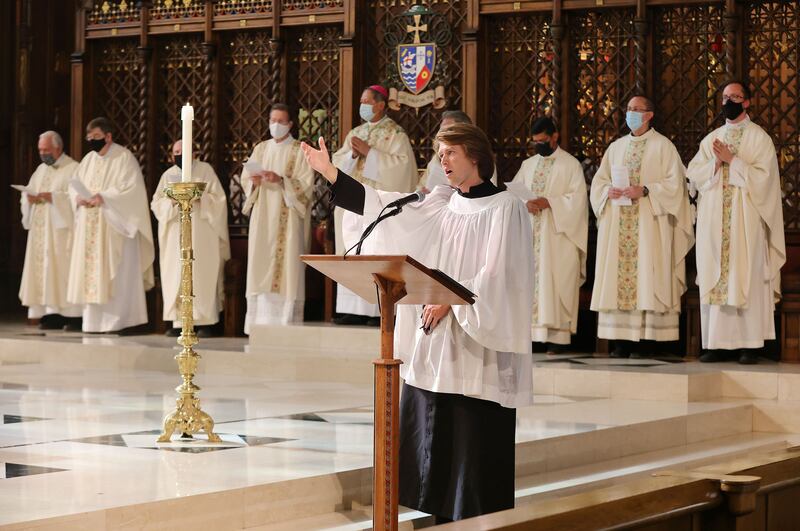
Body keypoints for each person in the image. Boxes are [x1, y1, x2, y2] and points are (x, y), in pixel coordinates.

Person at [301, 123, 534, 522]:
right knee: (434, 425)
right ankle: (437, 511)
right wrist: (331, 174)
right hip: (437, 336)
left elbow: (500, 273)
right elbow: (386, 209)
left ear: (474, 155)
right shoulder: (442, 204)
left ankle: (474, 517)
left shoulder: (505, 207)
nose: (441, 161)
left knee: (470, 433)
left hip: (475, 340)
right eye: (439, 153)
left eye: (450, 153)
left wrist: (451, 299)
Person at [687, 80, 785, 364]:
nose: (729, 101)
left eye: (736, 96)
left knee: (747, 273)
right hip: (714, 221)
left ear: (747, 102)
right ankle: (716, 345)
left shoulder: (759, 138)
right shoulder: (712, 139)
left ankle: (749, 345)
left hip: (746, 222)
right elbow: (694, 175)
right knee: (715, 273)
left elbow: (766, 181)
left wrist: (734, 160)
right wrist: (716, 164)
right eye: (725, 97)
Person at [590, 97, 694, 358]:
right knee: (619, 279)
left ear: (649, 115)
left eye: (636, 111)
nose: (631, 114)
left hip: (650, 227)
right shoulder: (616, 148)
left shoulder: (663, 147)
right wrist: (607, 192)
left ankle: (648, 341)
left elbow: (676, 186)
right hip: (619, 223)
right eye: (628, 110)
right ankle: (622, 341)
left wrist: (646, 189)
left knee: (649, 276)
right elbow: (598, 183)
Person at [330, 85, 418, 325]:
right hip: (352, 204)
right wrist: (352, 156)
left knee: (375, 249)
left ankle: (377, 309)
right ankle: (352, 309)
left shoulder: (396, 134)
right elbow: (336, 164)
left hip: (376, 205)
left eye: (367, 101)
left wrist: (371, 153)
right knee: (353, 248)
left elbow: (404, 170)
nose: (363, 106)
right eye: (361, 101)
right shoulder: (355, 132)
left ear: (380, 104)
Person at [66, 117, 154, 334]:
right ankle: (93, 323)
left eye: (96, 137)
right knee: (92, 273)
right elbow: (74, 186)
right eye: (89, 137)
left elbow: (132, 191)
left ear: (108, 136)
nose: (92, 141)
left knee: (118, 274)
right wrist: (77, 197)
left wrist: (103, 197)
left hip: (115, 227)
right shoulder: (88, 160)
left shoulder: (124, 158)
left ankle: (121, 321)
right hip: (90, 225)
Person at [510, 117, 588, 352]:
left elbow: (578, 201)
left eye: (543, 141)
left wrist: (551, 202)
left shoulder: (570, 165)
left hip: (558, 237)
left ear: (555, 137)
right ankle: (530, 338)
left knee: (556, 282)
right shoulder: (528, 164)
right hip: (531, 235)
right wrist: (525, 202)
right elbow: (513, 193)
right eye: (535, 142)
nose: (539, 146)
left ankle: (556, 339)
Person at [240, 103, 315, 333]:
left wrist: (281, 180)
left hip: (288, 219)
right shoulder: (261, 149)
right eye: (273, 120)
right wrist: (252, 182)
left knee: (287, 270)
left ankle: (285, 324)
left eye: (281, 121)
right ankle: (259, 325)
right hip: (262, 217)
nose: (276, 125)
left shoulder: (299, 151)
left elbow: (307, 186)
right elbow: (245, 179)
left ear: (291, 124)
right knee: (260, 265)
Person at [151, 140, 230, 337]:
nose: (178, 154)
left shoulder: (205, 171)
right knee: (176, 272)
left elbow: (218, 200)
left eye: (182, 151)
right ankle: (179, 323)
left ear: (193, 153)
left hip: (200, 234)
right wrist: (171, 201)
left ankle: (204, 322)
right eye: (175, 151)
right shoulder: (167, 175)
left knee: (200, 272)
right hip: (174, 235)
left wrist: (200, 197)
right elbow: (156, 202)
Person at [18, 131, 82, 330]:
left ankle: (70, 315)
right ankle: (48, 313)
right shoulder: (40, 170)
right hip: (40, 231)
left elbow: (75, 198)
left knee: (60, 271)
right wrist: (29, 199)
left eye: (46, 150)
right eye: (40, 150)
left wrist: (53, 197)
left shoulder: (73, 168)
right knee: (43, 271)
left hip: (61, 233)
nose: (42, 153)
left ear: (58, 148)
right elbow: (30, 190)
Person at [418, 110, 497, 191]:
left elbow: (486, 194)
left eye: (448, 131)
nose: (443, 161)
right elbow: (423, 186)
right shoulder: (436, 158)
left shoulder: (480, 156)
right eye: (441, 131)